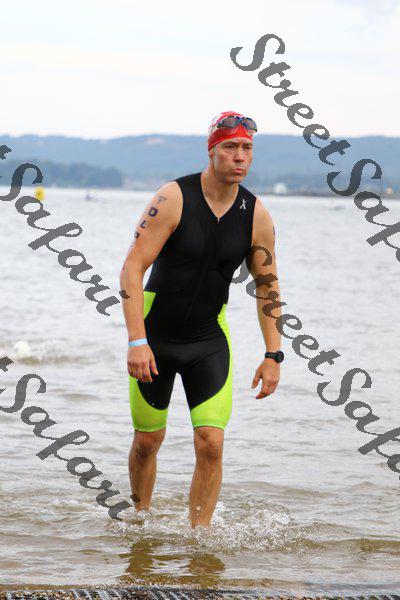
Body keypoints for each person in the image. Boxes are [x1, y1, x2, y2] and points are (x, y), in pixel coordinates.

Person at [119, 110, 283, 528]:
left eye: (247, 148)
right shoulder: (173, 198)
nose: (240, 157)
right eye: (230, 147)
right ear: (212, 150)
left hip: (208, 340)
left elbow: (267, 287)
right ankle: (139, 522)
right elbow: (132, 268)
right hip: (156, 336)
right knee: (148, 441)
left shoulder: (256, 215)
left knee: (211, 442)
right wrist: (137, 341)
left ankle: (200, 539)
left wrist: (273, 355)